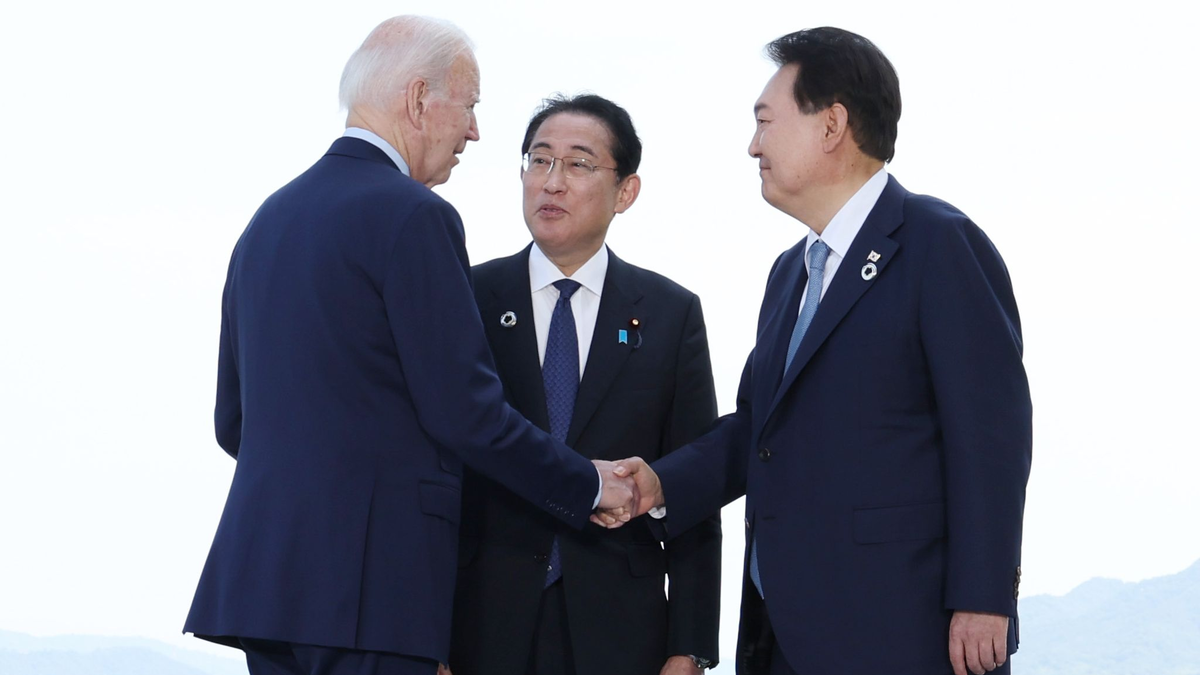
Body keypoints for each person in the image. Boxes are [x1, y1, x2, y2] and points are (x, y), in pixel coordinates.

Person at [182, 16, 636, 675]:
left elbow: (235, 423)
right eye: (471, 105)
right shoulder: (414, 215)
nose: (475, 131)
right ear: (421, 98)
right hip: (373, 594)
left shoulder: (268, 221)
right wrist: (586, 482)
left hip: (267, 591)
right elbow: (466, 413)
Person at [599, 27, 1033, 675]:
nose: (752, 145)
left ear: (832, 124)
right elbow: (758, 429)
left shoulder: (938, 244)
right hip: (781, 635)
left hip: (902, 630)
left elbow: (990, 435)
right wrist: (661, 483)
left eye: (766, 121)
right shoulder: (789, 274)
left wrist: (984, 595)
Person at [448, 95, 722, 675]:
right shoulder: (467, 297)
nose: (551, 182)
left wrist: (689, 647)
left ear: (626, 191)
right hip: (477, 624)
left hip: (622, 632)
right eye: (538, 160)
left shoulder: (671, 315)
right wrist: (425, 639)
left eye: (577, 164)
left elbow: (695, 482)